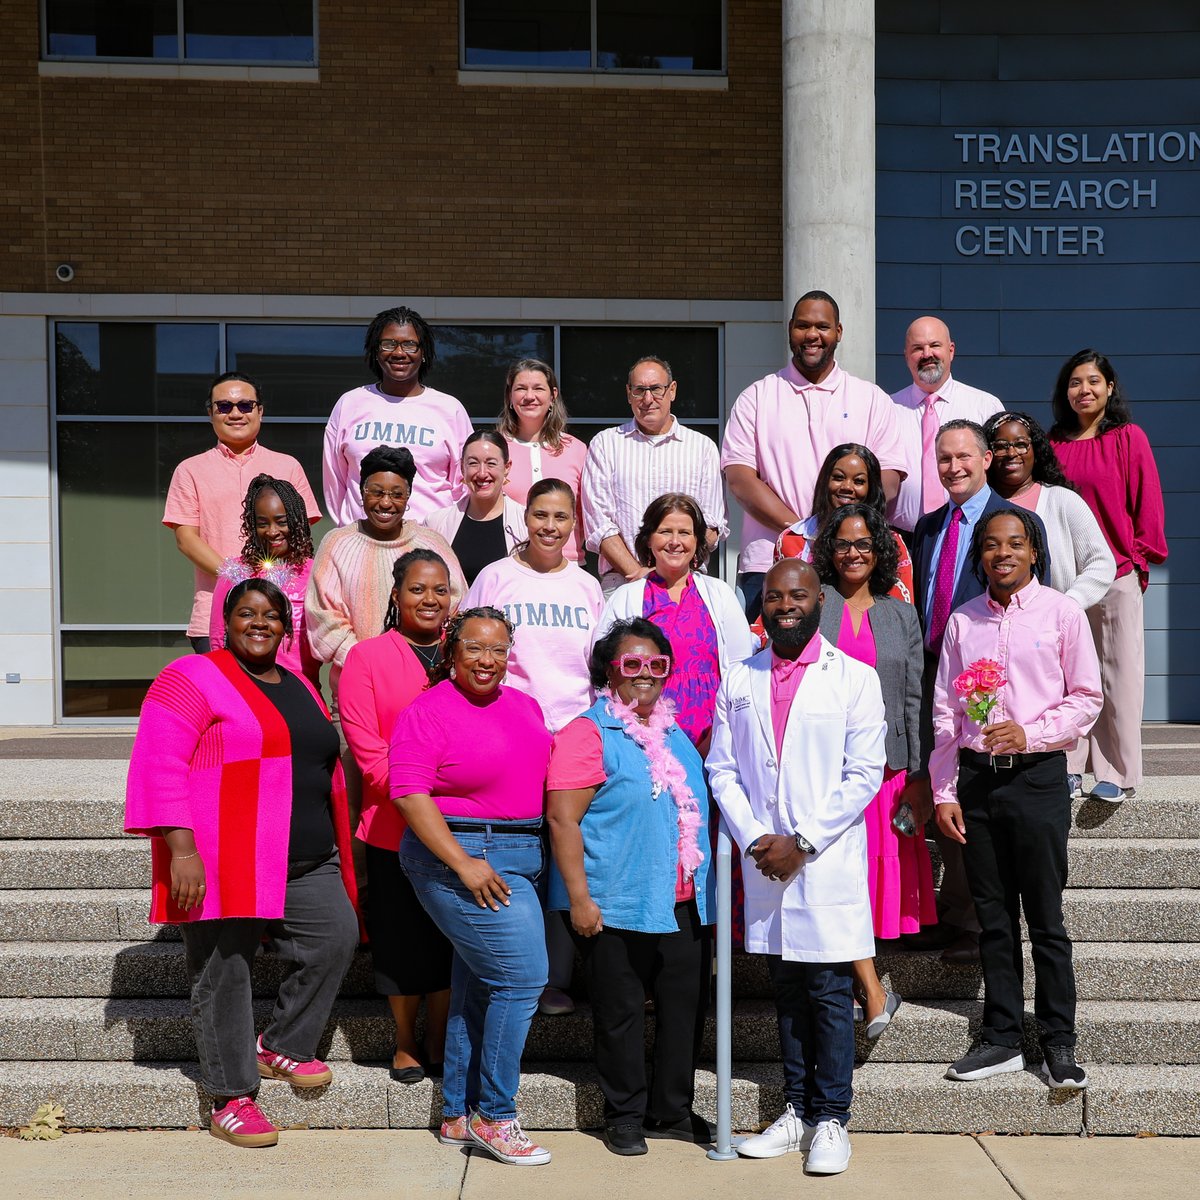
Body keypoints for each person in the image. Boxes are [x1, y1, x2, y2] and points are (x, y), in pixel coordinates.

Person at [124, 579, 359, 1149]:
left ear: (286, 625)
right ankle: (230, 1096)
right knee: (224, 970)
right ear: (224, 622)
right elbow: (160, 763)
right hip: (225, 853)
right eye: (248, 613)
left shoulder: (300, 682)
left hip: (306, 855)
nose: (261, 623)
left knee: (335, 939)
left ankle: (280, 1044)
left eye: (272, 615)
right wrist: (181, 850)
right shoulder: (190, 678)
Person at [708, 560, 886, 1175]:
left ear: (819, 601)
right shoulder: (740, 676)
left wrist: (803, 841)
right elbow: (721, 769)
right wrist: (758, 836)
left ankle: (833, 1117)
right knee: (787, 988)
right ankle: (797, 1111)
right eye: (776, 595)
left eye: (799, 594)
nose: (786, 604)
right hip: (766, 859)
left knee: (829, 991)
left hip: (824, 856)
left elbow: (864, 773)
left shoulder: (854, 678)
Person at [932, 509, 1102, 1088]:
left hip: (1036, 781)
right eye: (991, 545)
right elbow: (946, 714)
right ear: (980, 556)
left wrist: (1031, 733)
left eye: (1015, 544)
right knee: (994, 918)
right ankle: (1002, 1036)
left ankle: (1058, 1040)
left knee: (1046, 920)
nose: (1002, 553)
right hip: (978, 782)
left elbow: (1086, 698)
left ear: (1034, 552)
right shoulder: (963, 621)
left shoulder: (1062, 614)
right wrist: (944, 789)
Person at [391, 608, 553, 1166]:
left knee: (479, 985)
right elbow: (409, 794)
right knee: (523, 977)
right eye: (476, 649)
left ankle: (460, 1114)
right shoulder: (428, 710)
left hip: (522, 853)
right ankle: (495, 1115)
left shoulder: (524, 705)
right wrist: (463, 863)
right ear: (451, 651)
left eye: (499, 649)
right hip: (463, 856)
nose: (488, 661)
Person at [546, 618, 715, 1157]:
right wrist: (579, 899)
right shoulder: (587, 732)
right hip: (613, 902)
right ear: (608, 672)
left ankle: (672, 1109)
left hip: (682, 902)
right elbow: (562, 820)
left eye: (656, 665)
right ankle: (622, 1114)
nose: (645, 674)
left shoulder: (676, 732)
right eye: (632, 664)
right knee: (618, 1015)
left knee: (683, 1009)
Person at [910, 420, 1050, 964]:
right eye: (944, 458)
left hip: (998, 684)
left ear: (987, 458)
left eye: (964, 456)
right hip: (935, 674)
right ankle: (959, 914)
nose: (954, 467)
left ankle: (986, 923)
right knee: (947, 790)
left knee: (984, 798)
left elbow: (1036, 607)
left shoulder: (1019, 524)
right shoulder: (926, 528)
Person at [465, 478, 603, 1015]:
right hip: (511, 732)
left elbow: (597, 666)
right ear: (525, 519)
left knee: (569, 852)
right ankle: (523, 971)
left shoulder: (587, 586)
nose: (550, 526)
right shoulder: (497, 578)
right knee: (521, 851)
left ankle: (562, 974)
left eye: (561, 518)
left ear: (575, 525)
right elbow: (471, 644)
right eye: (541, 515)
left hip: (574, 734)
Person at [811, 503, 935, 1035]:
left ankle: (865, 985)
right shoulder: (816, 605)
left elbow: (914, 696)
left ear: (880, 550)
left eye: (864, 544)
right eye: (843, 544)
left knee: (863, 880)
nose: (854, 552)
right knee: (835, 876)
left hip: (885, 770)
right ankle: (871, 988)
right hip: (826, 766)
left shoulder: (900, 613)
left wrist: (917, 771)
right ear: (829, 552)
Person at [338, 550, 455, 1084]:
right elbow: (369, 752)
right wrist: (427, 799)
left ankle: (439, 1035)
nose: (429, 600)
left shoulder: (465, 652)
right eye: (417, 589)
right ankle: (407, 1040)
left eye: (439, 590)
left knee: (449, 939)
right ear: (396, 595)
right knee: (402, 938)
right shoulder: (367, 658)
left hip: (461, 827)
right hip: (392, 825)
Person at [720, 291, 907, 619]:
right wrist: (801, 532)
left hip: (852, 567)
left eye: (822, 326)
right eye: (803, 326)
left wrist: (841, 535)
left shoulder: (871, 399)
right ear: (790, 328)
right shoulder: (757, 397)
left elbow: (888, 481)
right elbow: (739, 479)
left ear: (838, 332)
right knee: (768, 665)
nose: (812, 335)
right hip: (770, 565)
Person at [1050, 350, 1168, 803]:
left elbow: (1148, 503)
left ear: (1110, 387)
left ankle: (1118, 773)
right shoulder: (1053, 444)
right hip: (1066, 579)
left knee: (1119, 675)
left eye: (1094, 381)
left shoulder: (1127, 438)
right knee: (1068, 677)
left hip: (1117, 572)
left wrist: (1139, 561)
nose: (1085, 390)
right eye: (1075, 382)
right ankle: (1069, 766)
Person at [164, 371, 321, 652]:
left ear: (260, 410)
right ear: (210, 413)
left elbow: (301, 536)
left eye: (245, 405)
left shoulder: (288, 466)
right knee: (224, 694)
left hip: (282, 611)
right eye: (224, 406)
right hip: (215, 611)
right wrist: (236, 576)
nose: (235, 413)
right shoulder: (190, 470)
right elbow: (186, 539)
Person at [594, 493, 757, 755]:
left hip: (714, 738)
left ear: (696, 540)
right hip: (643, 738)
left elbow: (740, 672)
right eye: (665, 531)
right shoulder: (628, 596)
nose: (675, 542)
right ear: (649, 539)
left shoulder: (720, 593)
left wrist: (720, 733)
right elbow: (603, 668)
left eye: (684, 533)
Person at [306, 445, 466, 699]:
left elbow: (456, 608)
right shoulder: (336, 543)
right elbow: (323, 618)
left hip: (428, 690)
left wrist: (423, 664)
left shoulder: (431, 543)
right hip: (356, 692)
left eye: (396, 494)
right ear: (362, 491)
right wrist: (372, 667)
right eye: (376, 492)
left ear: (409, 495)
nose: (385, 503)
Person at [582, 356, 728, 596]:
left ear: (672, 391)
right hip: (623, 583)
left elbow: (711, 525)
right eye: (639, 390)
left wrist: (675, 571)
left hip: (686, 584)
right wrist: (640, 575)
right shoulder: (606, 444)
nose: (647, 399)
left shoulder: (702, 447)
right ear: (629, 394)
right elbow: (599, 524)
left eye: (656, 389)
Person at [323, 306, 473, 526]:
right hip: (361, 541)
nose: (399, 353)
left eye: (410, 344)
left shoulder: (451, 409)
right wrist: (347, 531)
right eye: (388, 344)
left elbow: (463, 485)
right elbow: (334, 482)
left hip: (429, 545)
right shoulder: (349, 404)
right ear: (376, 350)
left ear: (424, 353)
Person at [983, 411, 1116, 612]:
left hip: (1053, 627)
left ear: (1035, 450)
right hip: (991, 623)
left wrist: (1069, 603)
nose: (1012, 453)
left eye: (1021, 444)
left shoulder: (1062, 501)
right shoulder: (980, 505)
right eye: (1001, 446)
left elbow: (1101, 562)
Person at [889, 316, 1003, 533]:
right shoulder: (887, 408)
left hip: (970, 532)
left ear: (951, 350)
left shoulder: (985, 405)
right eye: (917, 348)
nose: (927, 354)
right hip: (902, 538)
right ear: (906, 356)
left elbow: (1000, 474)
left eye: (934, 345)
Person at [209, 475, 321, 688]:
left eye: (281, 522)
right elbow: (217, 640)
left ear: (296, 522)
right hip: (245, 690)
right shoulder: (235, 574)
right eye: (262, 523)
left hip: (303, 690)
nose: (272, 531)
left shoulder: (316, 572)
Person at [773, 443, 914, 604]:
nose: (847, 487)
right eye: (838, 478)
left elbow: (902, 615)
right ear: (825, 481)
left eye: (859, 481)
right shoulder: (791, 540)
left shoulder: (892, 543)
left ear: (871, 488)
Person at [497, 358, 588, 562]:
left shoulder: (577, 449)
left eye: (538, 388)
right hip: (508, 564)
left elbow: (586, 513)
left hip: (567, 566)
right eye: (521, 389)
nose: (530, 396)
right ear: (510, 396)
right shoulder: (496, 449)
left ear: (553, 395)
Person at [425, 431, 525, 585]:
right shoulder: (436, 523)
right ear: (462, 469)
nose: (482, 473)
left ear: (507, 467)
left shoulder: (525, 524)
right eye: (473, 463)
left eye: (491, 463)